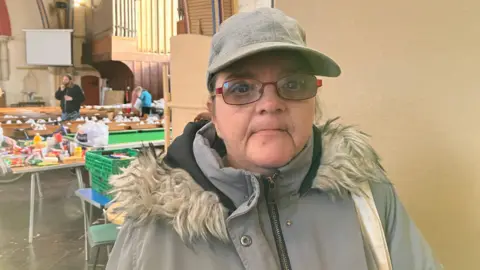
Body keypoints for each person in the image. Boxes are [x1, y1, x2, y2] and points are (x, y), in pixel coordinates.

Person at [106, 8, 442, 270]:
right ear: (214, 114)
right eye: (240, 88)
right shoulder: (152, 228)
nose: (269, 104)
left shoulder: (368, 195)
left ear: (314, 103)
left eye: (293, 84)